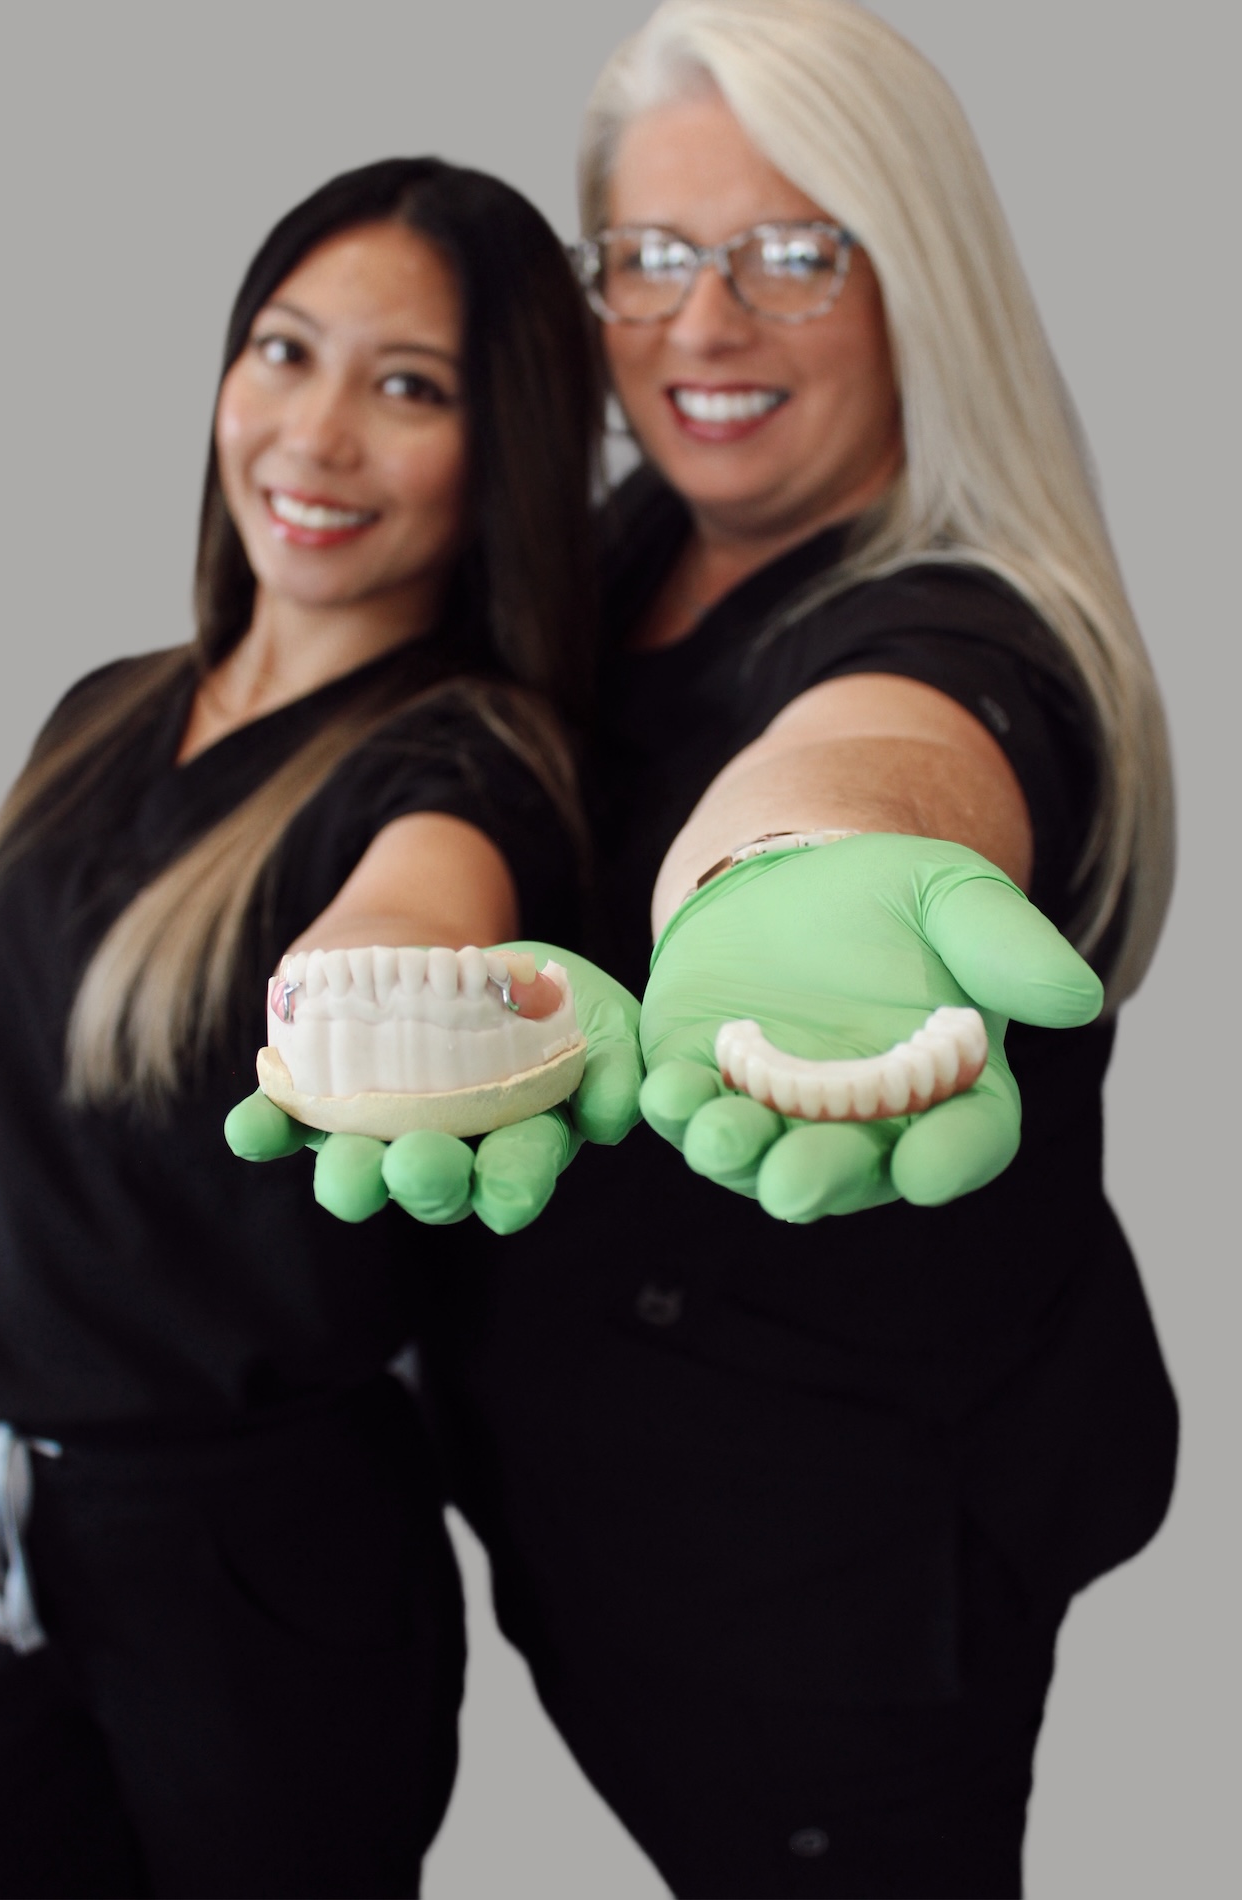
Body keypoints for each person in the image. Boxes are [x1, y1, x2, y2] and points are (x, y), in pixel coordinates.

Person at [412, 5, 1180, 1897]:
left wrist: (797, 869)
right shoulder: (611, 550)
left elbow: (886, 750)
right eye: (654, 256)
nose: (704, 322)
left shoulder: (977, 626)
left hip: (840, 1593)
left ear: (916, 279)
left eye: (792, 251)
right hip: (605, 1536)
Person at [0, 154, 617, 1900]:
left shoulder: (468, 762)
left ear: (508, 453)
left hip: (254, 1574)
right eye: (283, 350)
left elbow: (415, 919)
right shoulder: (105, 709)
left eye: (409, 387)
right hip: (10, 1519)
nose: (314, 435)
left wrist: (372, 999)